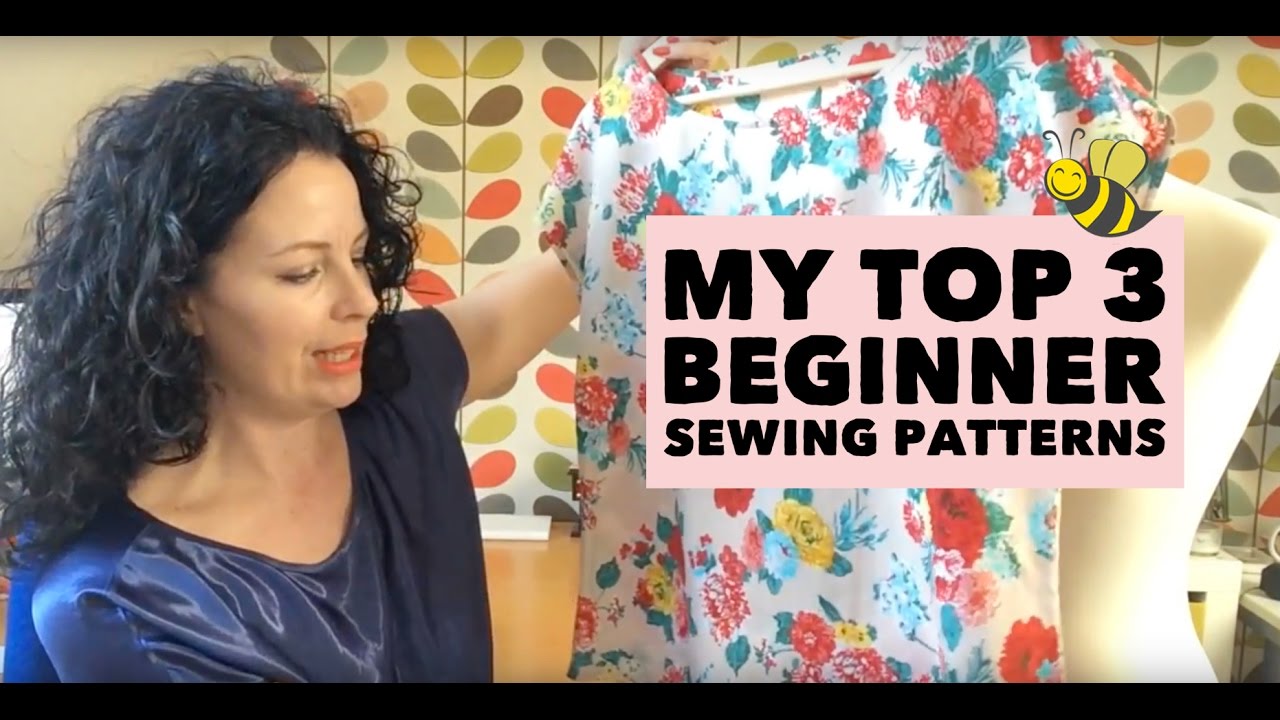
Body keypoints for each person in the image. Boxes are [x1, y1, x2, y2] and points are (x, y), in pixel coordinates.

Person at [0, 40, 727, 684]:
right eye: (301, 273)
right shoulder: (123, 603)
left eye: (355, 256)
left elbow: (558, 272)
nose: (360, 301)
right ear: (178, 296)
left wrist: (631, 118)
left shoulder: (391, 384)